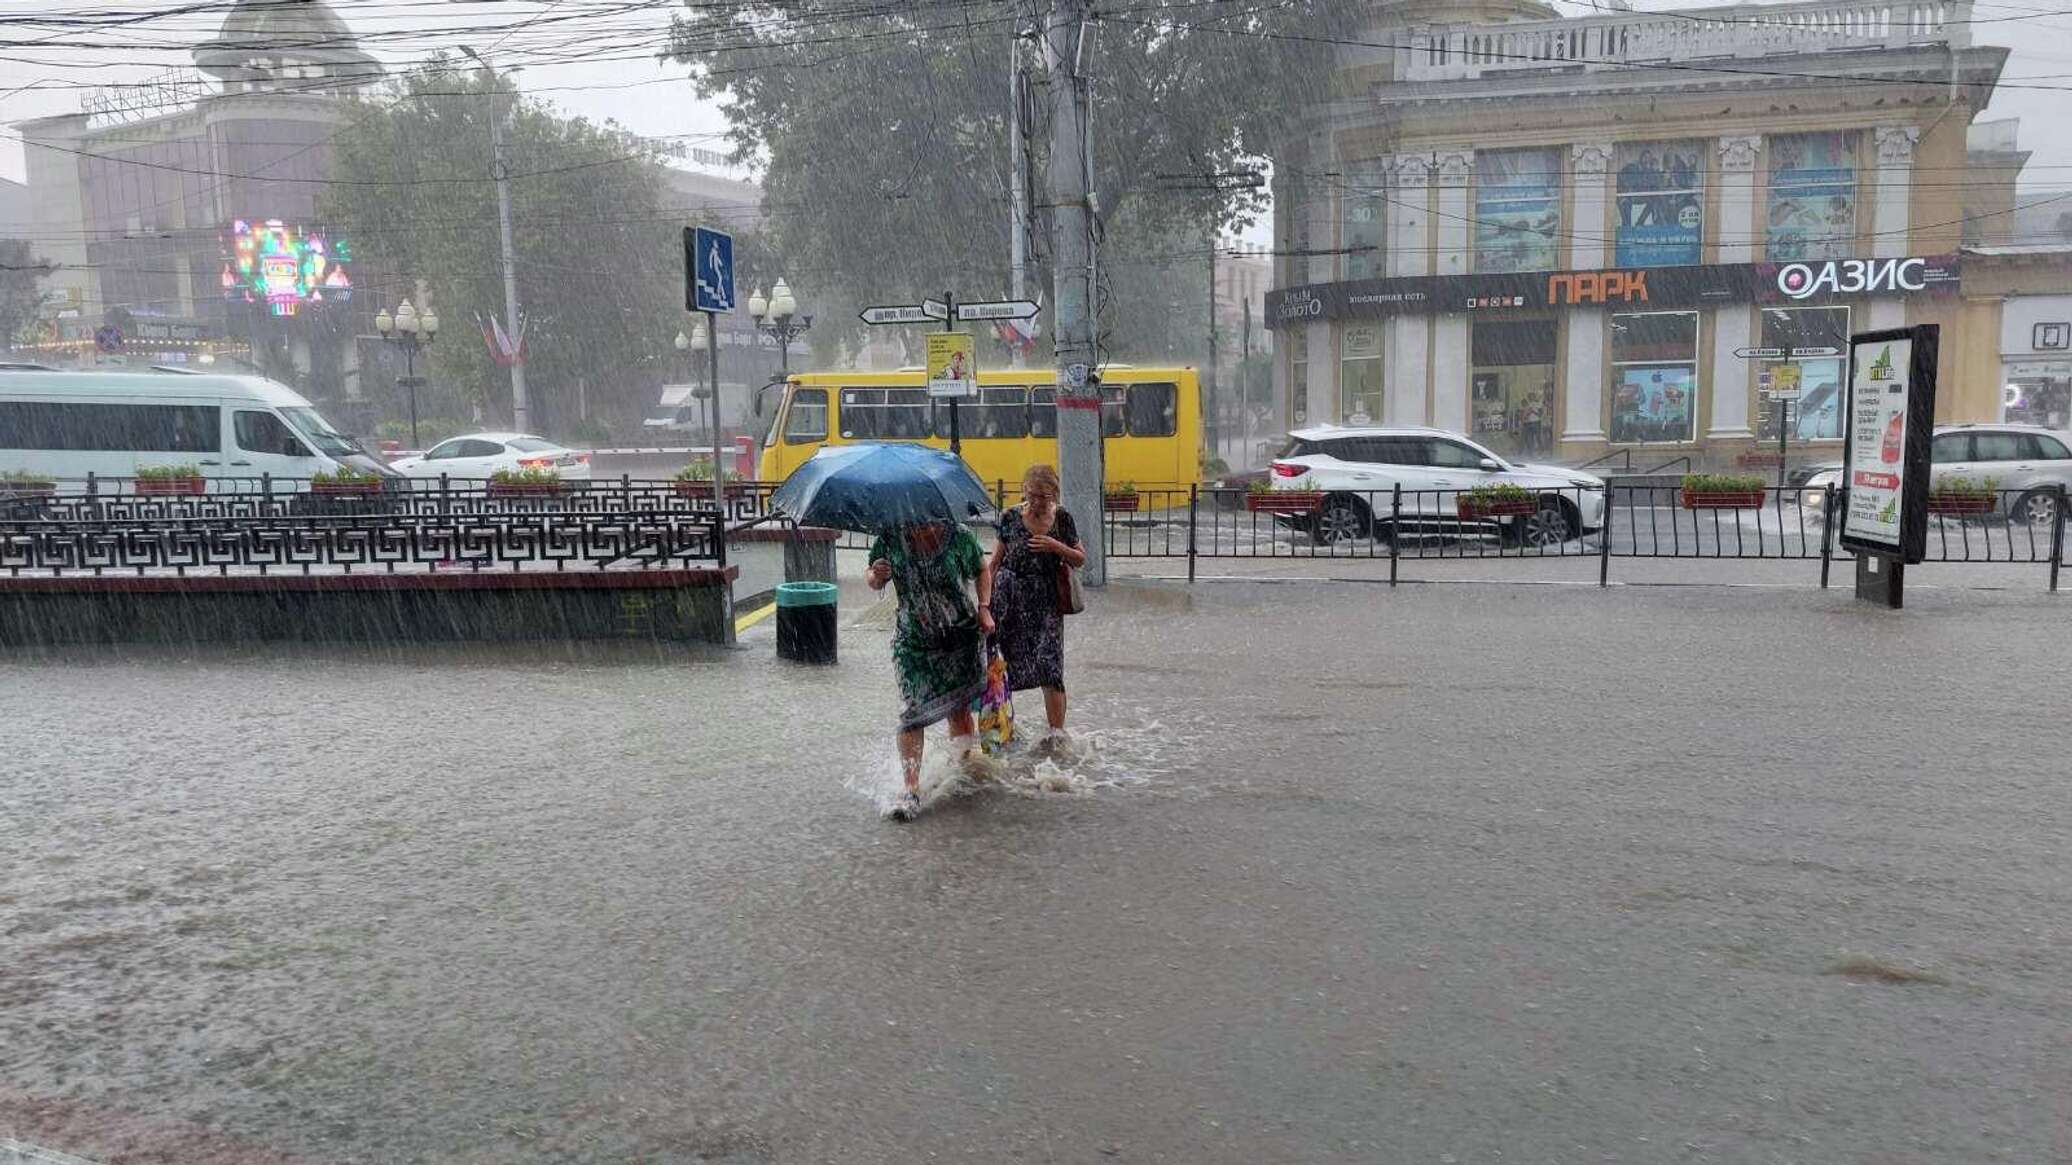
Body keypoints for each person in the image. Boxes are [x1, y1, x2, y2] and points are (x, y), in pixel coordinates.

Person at [867, 519, 994, 822]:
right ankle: (911, 790)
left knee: (958, 709)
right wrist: (877, 576)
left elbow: (982, 569)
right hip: (912, 642)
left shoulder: (959, 536)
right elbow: (871, 576)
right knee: (911, 713)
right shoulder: (890, 536)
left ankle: (959, 772)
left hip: (958, 637)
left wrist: (984, 607)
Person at [987, 464, 1085, 745]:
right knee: (1004, 666)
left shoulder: (1063, 518)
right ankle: (1003, 730)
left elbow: (1080, 558)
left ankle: (1056, 734)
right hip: (1009, 600)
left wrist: (1055, 546)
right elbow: (994, 563)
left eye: (1044, 496)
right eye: (1032, 495)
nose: (1038, 502)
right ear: (1024, 492)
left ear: (1054, 494)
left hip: (1047, 603)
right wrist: (985, 606)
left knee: (1050, 667)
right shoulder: (1009, 516)